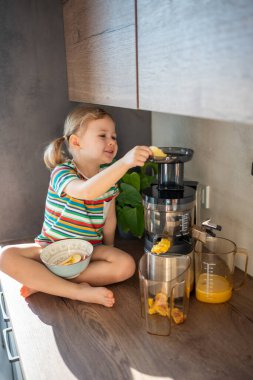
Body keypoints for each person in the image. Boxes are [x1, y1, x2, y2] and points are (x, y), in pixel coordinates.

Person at [0, 106, 152, 307]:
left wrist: (108, 250)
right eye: (102, 135)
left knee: (126, 266)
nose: (112, 142)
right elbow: (86, 191)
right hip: (52, 248)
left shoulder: (109, 175)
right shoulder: (62, 172)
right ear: (76, 142)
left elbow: (109, 217)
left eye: (114, 137)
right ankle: (75, 290)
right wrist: (124, 163)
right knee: (5, 256)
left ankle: (46, 282)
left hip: (89, 250)